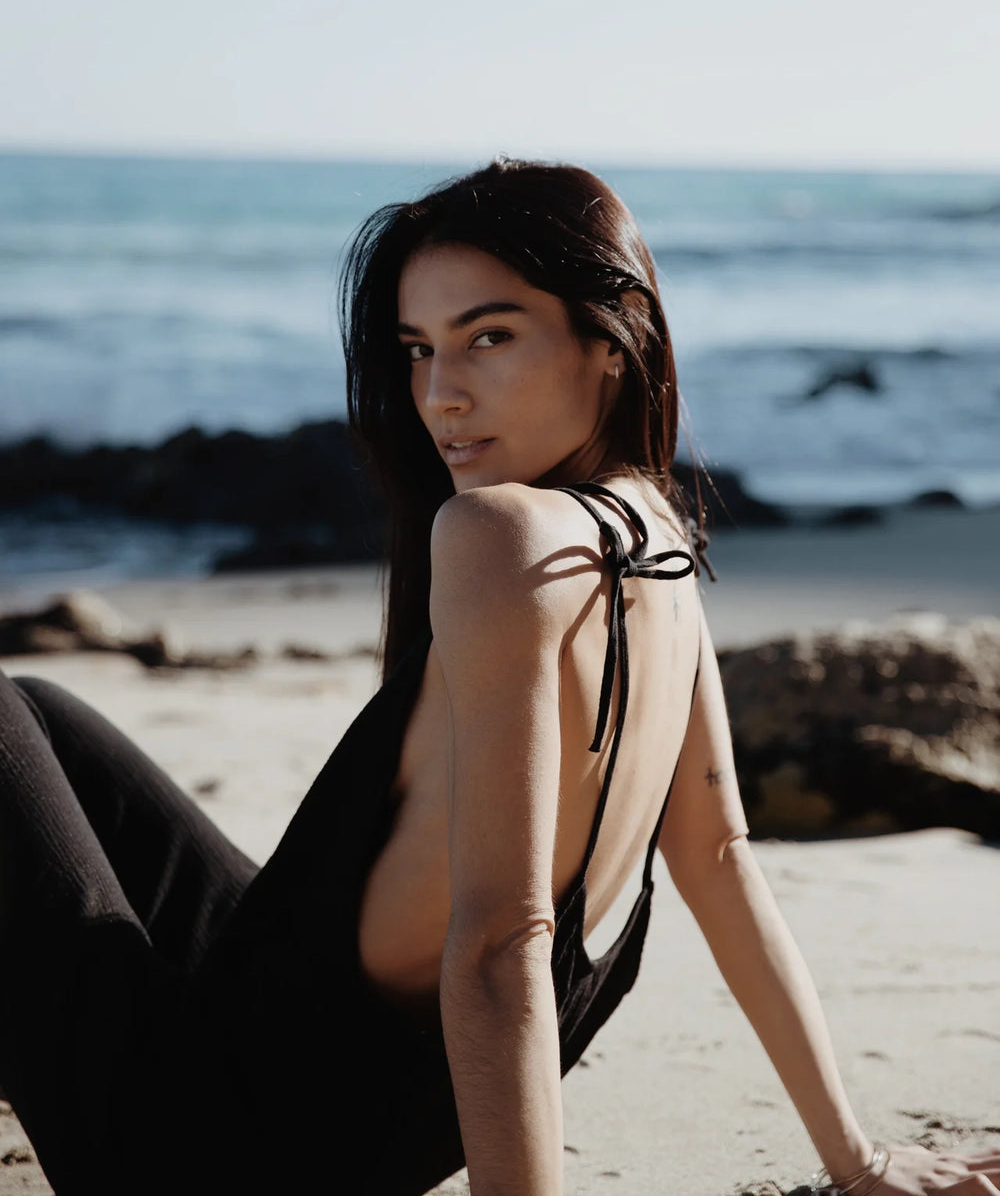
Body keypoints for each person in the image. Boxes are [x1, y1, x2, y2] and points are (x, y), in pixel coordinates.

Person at [0, 158, 995, 1196]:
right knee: (40, 713)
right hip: (344, 1114)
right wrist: (858, 1157)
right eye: (418, 349)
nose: (439, 394)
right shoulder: (655, 536)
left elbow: (500, 942)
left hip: (205, 1150)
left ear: (614, 339)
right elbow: (721, 858)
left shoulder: (497, 532)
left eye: (490, 335)